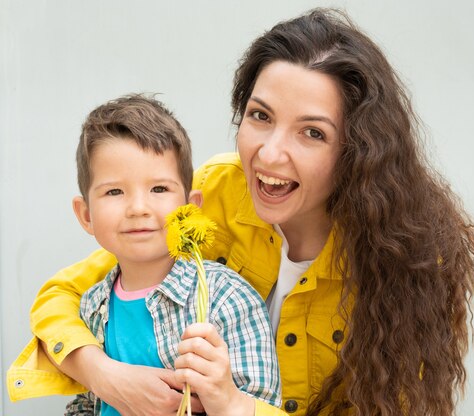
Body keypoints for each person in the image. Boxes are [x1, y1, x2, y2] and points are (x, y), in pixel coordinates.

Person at [8, 8, 474, 416]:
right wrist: (105, 374)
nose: (270, 154)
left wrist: (234, 404)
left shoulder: (408, 263)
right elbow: (63, 295)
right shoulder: (213, 191)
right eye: (261, 116)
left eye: (312, 132)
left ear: (358, 151)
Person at [9, 94, 281, 415]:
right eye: (114, 191)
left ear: (190, 206)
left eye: (159, 189)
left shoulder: (227, 298)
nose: (138, 208)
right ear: (86, 215)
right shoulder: (92, 306)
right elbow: (92, 401)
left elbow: (261, 400)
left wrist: (221, 395)